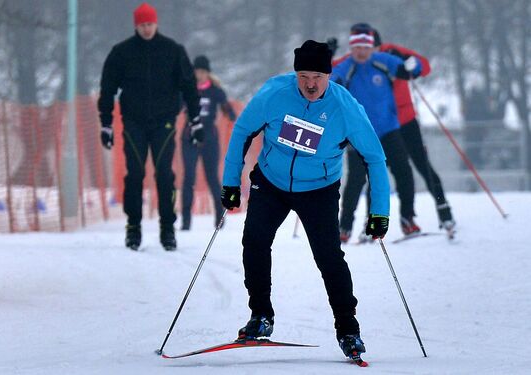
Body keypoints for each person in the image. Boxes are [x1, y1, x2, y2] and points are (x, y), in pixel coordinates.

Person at [220, 40, 390, 361]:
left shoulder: (345, 107)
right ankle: (261, 316)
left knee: (328, 257)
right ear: (295, 74)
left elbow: (375, 158)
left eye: (317, 77)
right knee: (254, 241)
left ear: (328, 75)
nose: (310, 84)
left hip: (319, 188)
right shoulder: (274, 94)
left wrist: (379, 211)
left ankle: (348, 328)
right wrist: (231, 182)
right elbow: (242, 131)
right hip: (271, 181)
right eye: (303, 76)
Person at [97, 3, 201, 251]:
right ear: (136, 25)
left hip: (164, 121)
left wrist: (195, 121)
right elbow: (108, 89)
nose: (147, 29)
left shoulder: (173, 51)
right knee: (134, 175)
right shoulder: (121, 53)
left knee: (164, 174)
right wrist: (106, 124)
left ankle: (168, 228)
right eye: (142, 25)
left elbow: (189, 86)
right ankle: (133, 227)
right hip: (133, 122)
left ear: (157, 23)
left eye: (150, 24)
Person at [334, 29, 456, 232]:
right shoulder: (355, 59)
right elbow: (331, 75)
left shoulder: (391, 53)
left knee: (421, 166)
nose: (371, 52)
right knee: (373, 175)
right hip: (377, 125)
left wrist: (409, 62)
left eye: (374, 48)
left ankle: (443, 213)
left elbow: (422, 67)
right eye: (366, 48)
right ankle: (370, 223)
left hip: (405, 119)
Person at [331, 23, 422, 244]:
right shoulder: (347, 66)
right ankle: (344, 227)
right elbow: (331, 82)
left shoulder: (382, 61)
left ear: (372, 47)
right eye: (357, 48)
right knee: (356, 181)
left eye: (365, 47)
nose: (361, 52)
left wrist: (410, 61)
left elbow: (411, 70)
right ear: (351, 49)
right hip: (359, 134)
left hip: (388, 129)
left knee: (403, 172)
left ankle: (407, 219)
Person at [180, 55, 236, 230]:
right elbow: (176, 105)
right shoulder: (187, 89)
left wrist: (229, 112)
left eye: (203, 72)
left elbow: (229, 111)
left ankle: (219, 218)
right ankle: (186, 221)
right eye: (197, 72)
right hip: (189, 136)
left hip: (209, 137)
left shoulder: (215, 91)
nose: (200, 75)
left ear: (208, 73)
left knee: (212, 177)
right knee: (189, 177)